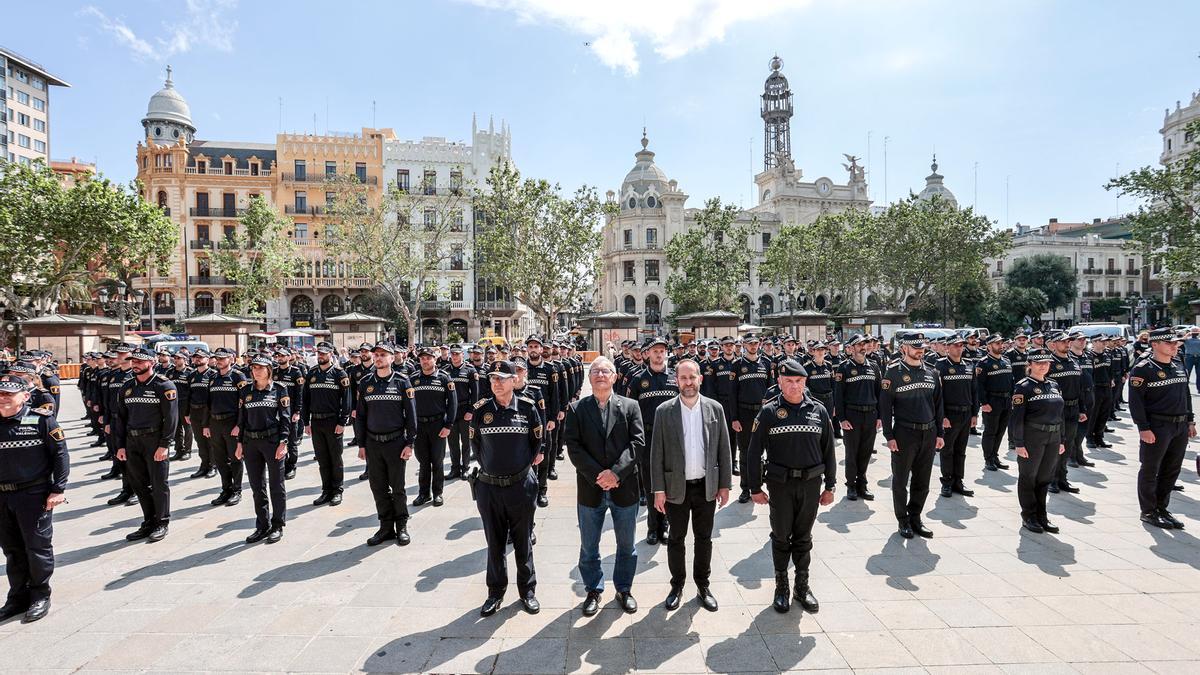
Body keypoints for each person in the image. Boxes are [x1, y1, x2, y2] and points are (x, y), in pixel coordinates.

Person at [746, 359, 836, 614]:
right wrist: (754, 488)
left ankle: (802, 587)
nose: (794, 386)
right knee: (781, 536)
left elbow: (829, 451)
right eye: (788, 381)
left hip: (810, 484)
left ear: (805, 382)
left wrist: (830, 486)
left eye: (798, 381)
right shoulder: (769, 412)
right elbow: (753, 453)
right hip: (780, 485)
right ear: (780, 382)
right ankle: (781, 587)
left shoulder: (818, 411)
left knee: (804, 537)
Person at [562, 356, 644, 616]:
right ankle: (593, 589)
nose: (600, 374)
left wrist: (616, 474)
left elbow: (638, 443)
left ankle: (624, 588)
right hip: (591, 488)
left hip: (624, 488)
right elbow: (573, 447)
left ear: (615, 377)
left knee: (626, 546)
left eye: (605, 371)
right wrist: (600, 475)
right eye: (595, 371)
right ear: (589, 378)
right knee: (589, 546)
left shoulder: (630, 406)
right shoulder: (577, 409)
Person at [650, 359, 731, 612]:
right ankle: (677, 585)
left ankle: (703, 585)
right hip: (676, 487)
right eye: (683, 378)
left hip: (706, 486)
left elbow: (724, 450)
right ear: (676, 381)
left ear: (700, 379)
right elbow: (656, 453)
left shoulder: (714, 409)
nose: (688, 383)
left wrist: (725, 484)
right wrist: (658, 489)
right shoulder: (664, 411)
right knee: (676, 538)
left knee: (704, 538)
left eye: (692, 377)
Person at [470, 361, 544, 617]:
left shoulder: (527, 408)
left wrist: (517, 468)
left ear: (514, 380)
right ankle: (495, 592)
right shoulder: (481, 410)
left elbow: (536, 443)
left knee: (523, 541)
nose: (497, 383)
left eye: (502, 378)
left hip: (520, 486)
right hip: (489, 487)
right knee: (495, 544)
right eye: (493, 378)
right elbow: (476, 445)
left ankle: (527, 591)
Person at [0, 374, 69, 623]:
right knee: (12, 550)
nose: (3, 398)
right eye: (0, 394)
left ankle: (40, 595)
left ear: (25, 396)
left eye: (9, 394)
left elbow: (60, 455)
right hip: (2, 496)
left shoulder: (42, 420)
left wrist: (58, 489)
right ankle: (17, 597)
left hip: (33, 494)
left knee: (36, 547)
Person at [1128, 327, 1197, 529]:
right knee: (1151, 468)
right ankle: (1148, 511)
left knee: (1172, 469)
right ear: (1155, 344)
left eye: (1176, 343)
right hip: (1157, 425)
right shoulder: (1143, 369)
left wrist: (1190, 420)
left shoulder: (1178, 364)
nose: (1174, 346)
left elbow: (1185, 394)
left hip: (1180, 425)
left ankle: (1162, 507)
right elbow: (1136, 402)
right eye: (1169, 343)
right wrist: (1143, 428)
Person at [879, 332, 945, 539]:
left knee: (922, 481)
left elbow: (938, 405)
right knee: (900, 480)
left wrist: (940, 433)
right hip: (904, 433)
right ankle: (903, 520)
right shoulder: (893, 373)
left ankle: (916, 517)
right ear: (904, 349)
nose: (920, 350)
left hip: (929, 432)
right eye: (915, 347)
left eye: (922, 347)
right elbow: (884, 406)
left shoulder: (932, 373)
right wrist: (889, 436)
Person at [113, 347, 178, 543]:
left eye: (140, 361)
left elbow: (171, 418)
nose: (135, 364)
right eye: (133, 361)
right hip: (132, 442)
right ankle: (149, 521)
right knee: (139, 484)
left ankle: (162, 522)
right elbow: (121, 419)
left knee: (159, 484)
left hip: (154, 440)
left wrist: (165, 444)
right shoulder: (127, 387)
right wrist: (121, 446)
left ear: (151, 362)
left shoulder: (164, 385)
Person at [355, 342, 417, 547]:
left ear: (392, 358)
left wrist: (410, 443)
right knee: (378, 488)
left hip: (396, 443)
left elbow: (411, 416)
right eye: (376, 354)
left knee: (398, 488)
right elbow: (361, 416)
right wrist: (361, 444)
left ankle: (402, 526)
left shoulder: (402, 382)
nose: (379, 358)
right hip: (373, 443)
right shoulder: (366, 383)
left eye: (383, 355)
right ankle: (385, 527)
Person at [625, 337, 678, 543]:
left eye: (662, 351)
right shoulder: (638, 380)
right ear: (647, 354)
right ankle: (652, 527)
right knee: (650, 483)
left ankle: (664, 524)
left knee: (668, 481)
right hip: (646, 437)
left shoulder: (675, 378)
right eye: (655, 351)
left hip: (671, 437)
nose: (658, 354)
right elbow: (630, 411)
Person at [1010, 348, 1066, 533]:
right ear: (1030, 365)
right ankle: (1029, 516)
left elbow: (1060, 414)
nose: (1043, 366)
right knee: (1029, 477)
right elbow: (1017, 418)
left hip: (1053, 436)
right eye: (1039, 363)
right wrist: (1018, 443)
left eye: (1046, 363)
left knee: (1044, 478)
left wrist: (1062, 440)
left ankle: (1042, 515)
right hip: (1033, 436)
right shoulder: (1023, 387)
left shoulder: (1054, 385)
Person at [237, 356, 291, 544]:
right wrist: (239, 443)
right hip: (251, 443)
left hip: (272, 442)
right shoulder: (245, 391)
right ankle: (262, 525)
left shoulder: (279, 389)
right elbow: (242, 419)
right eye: (254, 368)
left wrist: (283, 442)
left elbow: (285, 418)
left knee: (276, 485)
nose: (256, 371)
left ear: (269, 370)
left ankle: (277, 525)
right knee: (256, 487)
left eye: (261, 368)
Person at [302, 341, 353, 506]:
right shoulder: (312, 373)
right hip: (316, 421)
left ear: (331, 354)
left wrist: (342, 421)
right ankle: (326, 491)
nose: (320, 356)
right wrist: (306, 422)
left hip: (333, 421)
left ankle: (337, 490)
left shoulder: (340, 374)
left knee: (335, 458)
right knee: (322, 459)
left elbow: (346, 401)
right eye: (319, 353)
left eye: (324, 353)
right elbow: (306, 399)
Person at [833, 335, 882, 501]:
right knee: (852, 453)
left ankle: (862, 483)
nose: (863, 347)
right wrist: (842, 418)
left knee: (866, 452)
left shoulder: (874, 367)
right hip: (852, 415)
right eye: (859, 344)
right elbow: (838, 395)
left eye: (865, 344)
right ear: (851, 348)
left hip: (870, 415)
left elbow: (879, 393)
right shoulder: (844, 368)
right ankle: (851, 485)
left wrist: (880, 416)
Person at [409, 346, 456, 507]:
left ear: (434, 359)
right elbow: (408, 404)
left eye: (428, 358)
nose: (425, 360)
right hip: (419, 426)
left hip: (438, 425)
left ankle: (438, 493)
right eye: (422, 358)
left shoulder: (444, 378)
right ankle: (423, 494)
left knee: (437, 462)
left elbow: (452, 404)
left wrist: (448, 425)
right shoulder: (413, 378)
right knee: (423, 462)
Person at [732, 334, 773, 504]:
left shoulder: (766, 363)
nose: (754, 346)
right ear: (744, 345)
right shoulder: (737, 365)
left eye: (756, 343)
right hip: (744, 414)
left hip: (763, 414)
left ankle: (762, 483)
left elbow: (771, 390)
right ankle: (745, 488)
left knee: (766, 451)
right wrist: (734, 418)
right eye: (750, 343)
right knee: (745, 452)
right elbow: (732, 394)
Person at [936, 336, 978, 499]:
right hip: (950, 414)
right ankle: (946, 482)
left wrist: (975, 413)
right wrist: (943, 416)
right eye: (956, 345)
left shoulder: (969, 365)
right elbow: (938, 395)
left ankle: (958, 481)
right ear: (947, 347)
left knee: (961, 450)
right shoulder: (940, 366)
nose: (959, 348)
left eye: (961, 345)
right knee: (947, 450)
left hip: (966, 413)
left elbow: (974, 391)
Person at [205, 348, 247, 507]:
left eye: (222, 358)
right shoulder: (213, 377)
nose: (219, 361)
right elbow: (208, 404)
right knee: (220, 459)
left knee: (235, 458)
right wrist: (206, 424)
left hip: (232, 423)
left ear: (231, 359)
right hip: (215, 424)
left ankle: (237, 490)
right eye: (217, 358)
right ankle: (226, 489)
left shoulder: (238, 377)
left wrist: (239, 425)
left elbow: (244, 404)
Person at [976, 334, 1013, 472]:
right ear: (989, 346)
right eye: (997, 344)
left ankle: (995, 456)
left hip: (1006, 400)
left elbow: (1011, 381)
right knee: (990, 432)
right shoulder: (983, 363)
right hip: (992, 400)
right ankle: (988, 459)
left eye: (1001, 343)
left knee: (1001, 431)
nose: (1000, 346)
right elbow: (979, 385)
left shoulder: (1006, 361)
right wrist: (984, 403)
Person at [444, 345, 481, 480]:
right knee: (453, 443)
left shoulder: (470, 370)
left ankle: (465, 468)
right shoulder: (445, 371)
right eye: (452, 354)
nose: (454, 356)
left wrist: (471, 411)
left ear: (462, 355)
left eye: (457, 354)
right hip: (451, 412)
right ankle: (455, 469)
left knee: (466, 442)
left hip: (465, 410)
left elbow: (475, 394)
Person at [273, 348, 306, 480]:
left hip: (291, 411)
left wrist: (298, 411)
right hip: (276, 412)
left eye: (283, 356)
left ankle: (291, 466)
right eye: (278, 356)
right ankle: (282, 464)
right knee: (278, 440)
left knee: (291, 441)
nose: (280, 358)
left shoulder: (295, 372)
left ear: (289, 357)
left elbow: (300, 393)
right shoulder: (273, 372)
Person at [165, 350, 193, 462]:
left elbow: (192, 391)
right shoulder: (170, 372)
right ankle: (179, 450)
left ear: (185, 360)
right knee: (176, 429)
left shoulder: (190, 373)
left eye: (178, 358)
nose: (175, 360)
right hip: (173, 405)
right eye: (175, 358)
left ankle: (187, 451)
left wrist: (190, 409)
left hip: (185, 404)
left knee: (187, 428)